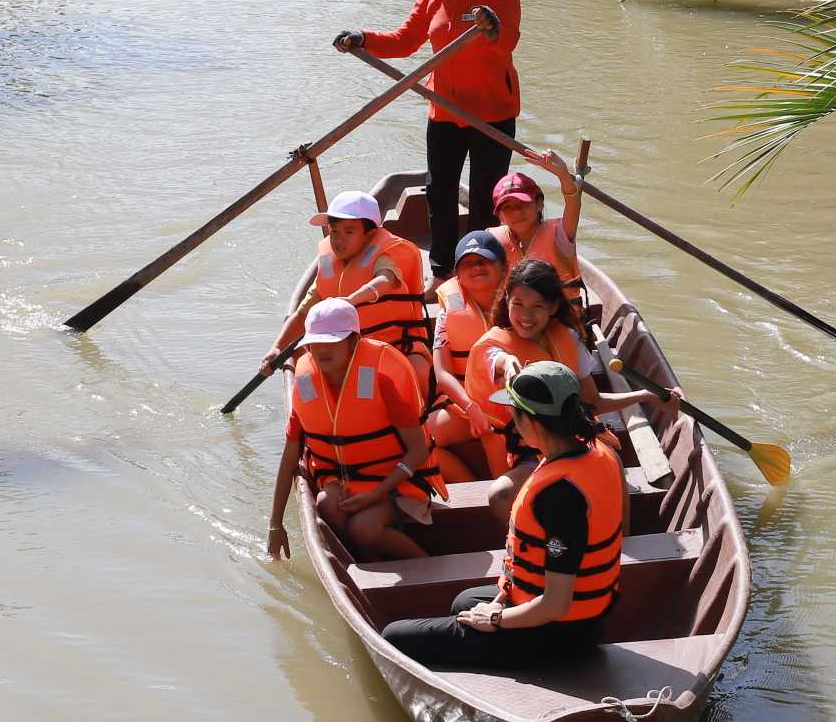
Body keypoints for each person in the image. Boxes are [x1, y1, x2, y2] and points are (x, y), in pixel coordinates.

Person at [379, 362, 626, 670]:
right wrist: (498, 602)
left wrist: (496, 617)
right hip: (579, 616)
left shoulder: (559, 495)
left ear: (531, 423)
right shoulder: (594, 450)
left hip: (560, 634)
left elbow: (555, 603)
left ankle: (518, 666)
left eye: (514, 413)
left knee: (392, 637)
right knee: (465, 602)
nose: (510, 420)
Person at [332, 0, 521, 282]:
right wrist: (362, 38)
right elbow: (404, 41)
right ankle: (442, 270)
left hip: (491, 111)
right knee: (439, 191)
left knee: (485, 194)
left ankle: (480, 266)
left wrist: (492, 25)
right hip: (444, 111)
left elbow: (508, 40)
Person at [465, 259, 674, 510]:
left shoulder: (568, 338)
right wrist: (508, 362)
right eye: (518, 304)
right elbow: (496, 359)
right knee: (499, 496)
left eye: (537, 306)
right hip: (530, 452)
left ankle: (616, 541)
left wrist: (645, 395)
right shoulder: (493, 344)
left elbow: (592, 403)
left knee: (614, 466)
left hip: (575, 441)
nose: (526, 316)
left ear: (553, 307)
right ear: (507, 298)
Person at [266, 298, 442, 563]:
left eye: (332, 341)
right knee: (326, 505)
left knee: (364, 530)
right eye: (315, 342)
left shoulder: (380, 379)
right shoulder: (306, 381)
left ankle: (428, 565)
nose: (322, 350)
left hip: (397, 482)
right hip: (344, 481)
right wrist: (275, 524)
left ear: (353, 340)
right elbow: (291, 453)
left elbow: (417, 451)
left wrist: (377, 492)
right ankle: (374, 564)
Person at [260, 188, 434, 397]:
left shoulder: (384, 257)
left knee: (417, 371)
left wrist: (351, 300)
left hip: (394, 345)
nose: (338, 240)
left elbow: (384, 280)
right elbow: (302, 314)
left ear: (369, 234)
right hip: (344, 350)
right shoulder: (329, 267)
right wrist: (277, 348)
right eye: (334, 231)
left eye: (349, 232)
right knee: (305, 367)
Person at [422, 228, 507, 482]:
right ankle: (470, 487)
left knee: (496, 435)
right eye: (468, 263)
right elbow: (442, 373)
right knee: (420, 441)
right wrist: (471, 407)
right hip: (465, 404)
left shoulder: (520, 303)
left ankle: (508, 497)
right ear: (457, 273)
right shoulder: (449, 310)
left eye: (484, 261)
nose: (476, 268)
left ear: (503, 267)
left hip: (513, 404)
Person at [491, 154, 585, 324]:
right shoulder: (494, 241)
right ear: (500, 216)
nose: (516, 213)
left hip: (560, 323)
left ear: (540, 204)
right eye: (508, 208)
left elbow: (573, 206)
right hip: (518, 323)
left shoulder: (559, 234)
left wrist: (563, 175)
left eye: (522, 205)